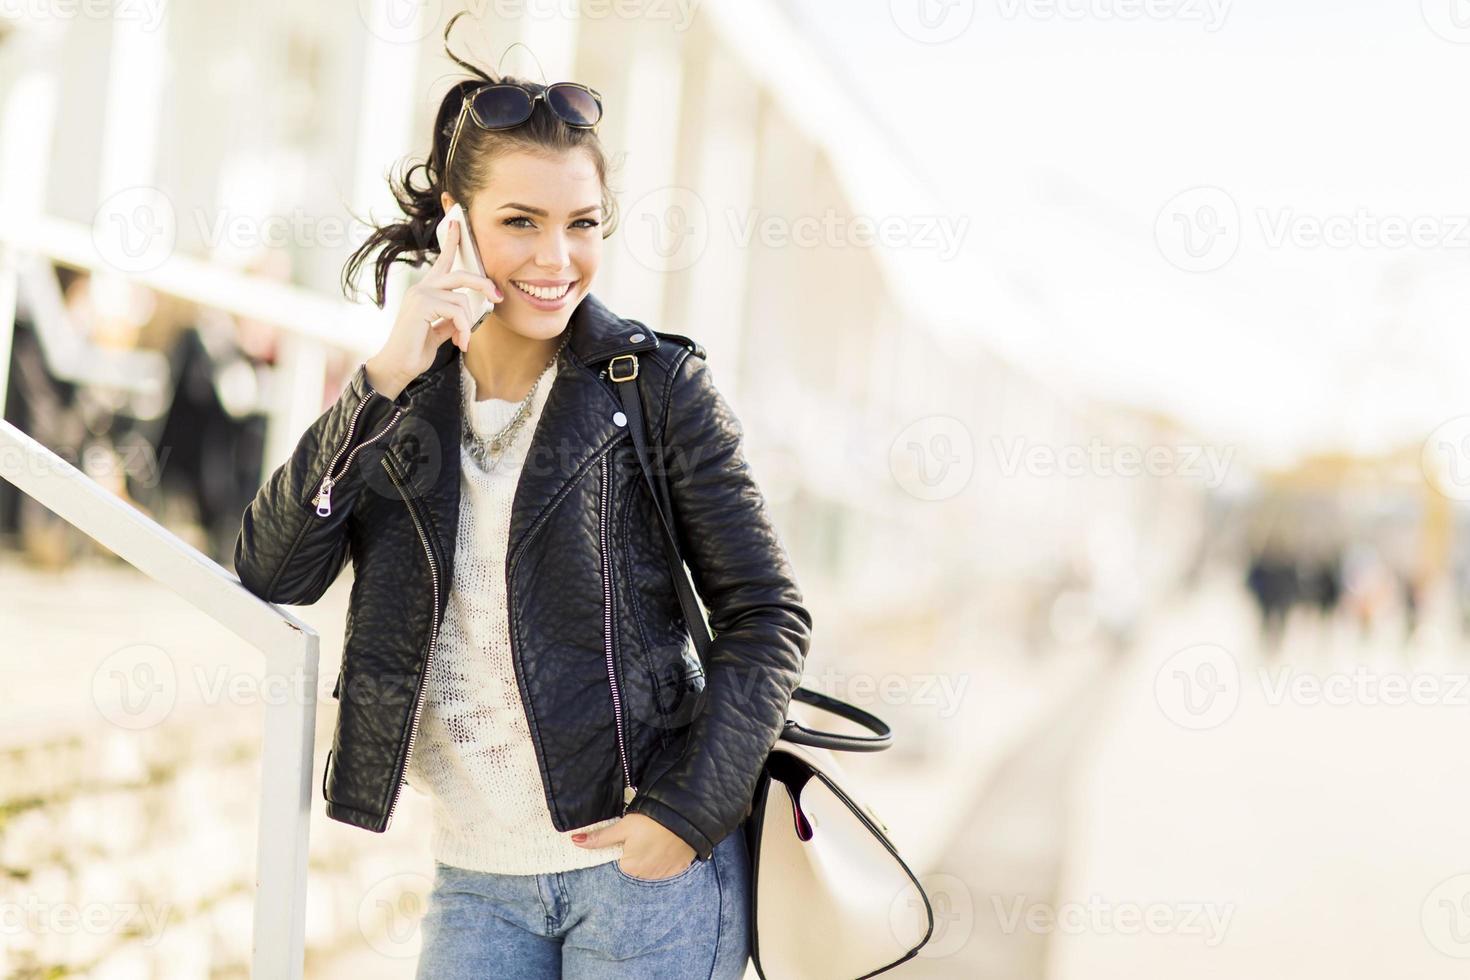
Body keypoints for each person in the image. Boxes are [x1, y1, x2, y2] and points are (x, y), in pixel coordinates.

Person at [233, 12, 812, 979]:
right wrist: (381, 376)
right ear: (454, 223)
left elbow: (767, 614)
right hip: (476, 879)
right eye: (521, 223)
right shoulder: (403, 399)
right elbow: (275, 568)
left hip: (645, 880)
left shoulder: (656, 389)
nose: (557, 260)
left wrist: (690, 812)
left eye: (581, 224)